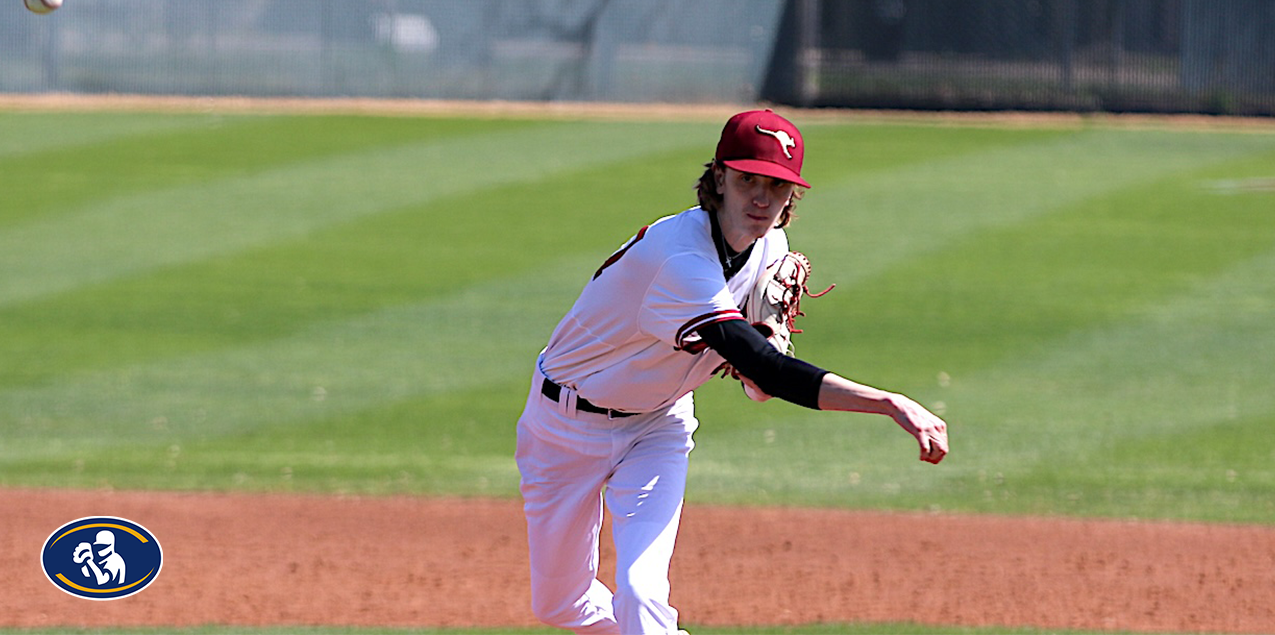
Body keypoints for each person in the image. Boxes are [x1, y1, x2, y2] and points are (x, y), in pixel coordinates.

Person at [515, 109, 949, 635]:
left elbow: (758, 383)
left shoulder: (770, 251)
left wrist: (762, 354)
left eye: (777, 186)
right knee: (561, 606)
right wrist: (887, 402)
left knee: (640, 591)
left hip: (656, 428)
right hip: (564, 427)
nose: (762, 200)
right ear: (719, 178)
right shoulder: (680, 257)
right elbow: (766, 369)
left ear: (793, 197)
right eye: (748, 180)